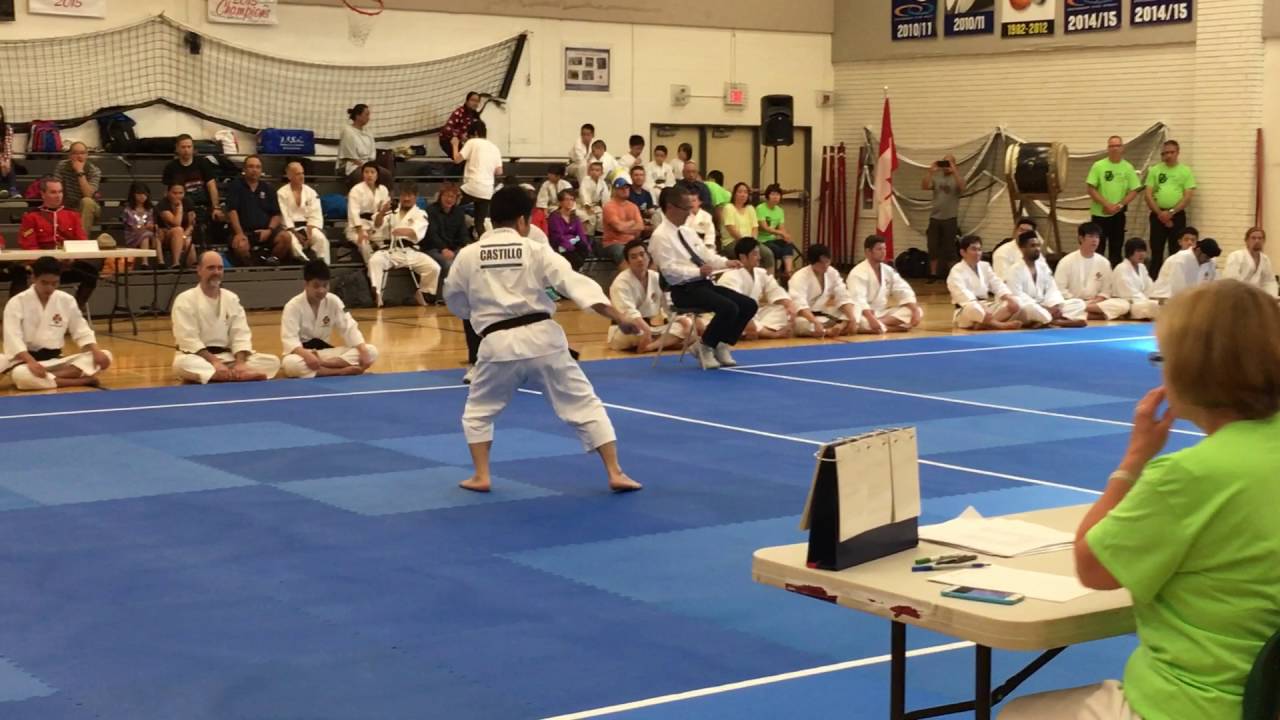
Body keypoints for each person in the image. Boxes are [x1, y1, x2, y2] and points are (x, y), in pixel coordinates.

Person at [1000, 279, 1280, 720]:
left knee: (1020, 713)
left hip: (1196, 704)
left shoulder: (1191, 475)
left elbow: (1092, 567)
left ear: (1187, 372)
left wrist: (1133, 460)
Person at [442, 185, 643, 494]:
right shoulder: (535, 250)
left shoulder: (468, 255)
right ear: (523, 221)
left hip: (497, 343)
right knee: (583, 403)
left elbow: (454, 299)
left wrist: (476, 310)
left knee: (479, 410)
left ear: (492, 220)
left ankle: (481, 475)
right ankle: (615, 471)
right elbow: (575, 285)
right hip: (543, 339)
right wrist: (620, 318)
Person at [649, 185, 754, 370]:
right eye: (686, 208)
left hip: (703, 284)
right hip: (683, 289)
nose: (690, 213)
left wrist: (726, 263)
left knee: (748, 304)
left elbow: (706, 255)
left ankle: (721, 343)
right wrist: (697, 272)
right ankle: (704, 346)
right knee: (727, 307)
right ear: (671, 207)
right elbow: (669, 271)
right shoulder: (660, 237)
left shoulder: (687, 231)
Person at [2, 255, 112, 390]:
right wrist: (31, 362)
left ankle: (47, 377)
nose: (49, 288)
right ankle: (79, 381)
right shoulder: (17, 302)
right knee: (21, 374)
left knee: (106, 355)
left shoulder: (66, 300)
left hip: (55, 360)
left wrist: (96, 352)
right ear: (33, 278)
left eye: (54, 283)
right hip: (23, 360)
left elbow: (81, 330)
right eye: (44, 283)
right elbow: (13, 338)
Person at [171, 251, 281, 384]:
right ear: (199, 270)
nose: (216, 272)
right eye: (211, 268)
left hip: (229, 358)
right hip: (199, 357)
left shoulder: (231, 298)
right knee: (182, 364)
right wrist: (215, 362)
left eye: (220, 268)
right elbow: (188, 339)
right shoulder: (185, 299)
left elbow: (240, 333)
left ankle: (225, 374)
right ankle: (232, 375)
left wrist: (240, 363)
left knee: (272, 361)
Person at [7, 177, 99, 308]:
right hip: (40, 266)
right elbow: (29, 246)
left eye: (60, 192)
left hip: (65, 266)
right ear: (43, 194)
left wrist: (72, 258)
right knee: (19, 272)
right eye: (53, 192)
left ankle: (75, 311)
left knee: (91, 273)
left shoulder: (72, 215)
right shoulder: (31, 216)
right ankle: (18, 314)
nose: (58, 196)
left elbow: (81, 242)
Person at [281, 259, 377, 378]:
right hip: (302, 355)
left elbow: (349, 327)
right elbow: (290, 340)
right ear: (306, 285)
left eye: (325, 285)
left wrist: (363, 351)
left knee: (371, 351)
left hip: (325, 354)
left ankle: (323, 366)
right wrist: (307, 355)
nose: (321, 290)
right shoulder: (293, 306)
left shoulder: (334, 301)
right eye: (316, 286)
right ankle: (340, 371)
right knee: (291, 364)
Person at [607, 238, 692, 352]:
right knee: (639, 332)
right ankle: (666, 342)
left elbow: (670, 307)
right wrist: (646, 331)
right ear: (628, 262)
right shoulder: (621, 283)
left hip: (651, 329)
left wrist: (685, 321)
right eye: (634, 257)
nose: (640, 259)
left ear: (649, 257)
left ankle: (651, 346)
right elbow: (628, 313)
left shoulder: (656, 278)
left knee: (689, 328)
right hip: (627, 329)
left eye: (642, 255)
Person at [368, 183, 441, 307]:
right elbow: (377, 225)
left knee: (434, 267)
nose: (406, 199)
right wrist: (381, 213)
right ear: (400, 196)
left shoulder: (420, 213)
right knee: (374, 261)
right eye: (404, 195)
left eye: (409, 195)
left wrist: (402, 230)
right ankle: (377, 294)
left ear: (416, 197)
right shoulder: (391, 211)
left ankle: (424, 294)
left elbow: (417, 232)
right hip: (390, 250)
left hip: (410, 251)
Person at [1000, 231, 1088, 328]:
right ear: (1022, 248)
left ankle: (1047, 321)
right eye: (1033, 246)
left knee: (1078, 303)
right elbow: (1017, 296)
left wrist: (1055, 306)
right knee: (1031, 309)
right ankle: (1058, 322)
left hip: (1046, 305)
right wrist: (1044, 308)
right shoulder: (1014, 270)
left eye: (1038, 245)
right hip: (1028, 308)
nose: (1037, 249)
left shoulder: (1043, 267)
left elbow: (1052, 289)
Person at [720, 237, 797, 340]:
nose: (759, 257)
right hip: (736, 316)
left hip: (754, 316)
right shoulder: (730, 276)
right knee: (733, 320)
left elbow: (775, 289)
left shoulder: (760, 273)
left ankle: (759, 330)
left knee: (784, 309)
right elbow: (736, 305)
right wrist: (750, 322)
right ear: (743, 257)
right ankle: (769, 333)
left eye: (759, 254)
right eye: (755, 254)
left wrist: (788, 304)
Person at [847, 234, 923, 333]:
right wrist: (870, 318)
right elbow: (858, 299)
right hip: (863, 314)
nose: (883, 252)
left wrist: (915, 310)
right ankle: (893, 328)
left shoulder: (888, 270)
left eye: (884, 249)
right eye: (879, 249)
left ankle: (880, 325)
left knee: (917, 311)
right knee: (859, 322)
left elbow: (902, 290)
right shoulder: (857, 273)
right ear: (868, 252)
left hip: (881, 313)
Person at [1054, 222, 1131, 321]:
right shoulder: (1066, 261)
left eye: (1097, 237)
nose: (1095, 240)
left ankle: (1082, 313)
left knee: (1123, 305)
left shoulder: (1104, 262)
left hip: (1095, 304)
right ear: (1081, 238)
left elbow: (1107, 289)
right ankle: (1096, 316)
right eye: (1091, 236)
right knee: (1062, 306)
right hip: (1072, 302)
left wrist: (1096, 301)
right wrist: (1078, 302)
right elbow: (1059, 289)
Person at [1086, 136, 1143, 265]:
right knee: (1097, 248)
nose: (1114, 149)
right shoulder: (1099, 166)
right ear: (1108, 148)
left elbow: (1134, 190)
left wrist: (1119, 205)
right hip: (1100, 214)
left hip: (1118, 215)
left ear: (1122, 148)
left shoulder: (1127, 167)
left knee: (1116, 249)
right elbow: (1091, 189)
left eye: (1117, 146)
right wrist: (1107, 205)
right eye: (1111, 146)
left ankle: (1114, 277)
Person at [1144, 140, 1196, 278]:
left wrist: (1171, 212)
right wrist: (1160, 213)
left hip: (1177, 215)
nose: (1168, 155)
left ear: (1178, 153)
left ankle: (1175, 281)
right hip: (1157, 215)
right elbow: (1148, 194)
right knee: (1156, 251)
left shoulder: (1185, 171)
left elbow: (1188, 196)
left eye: (1171, 152)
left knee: (1176, 251)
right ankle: (1154, 282)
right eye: (1165, 153)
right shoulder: (1155, 170)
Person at [947, 234, 1022, 330]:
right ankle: (999, 325)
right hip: (966, 311)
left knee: (1015, 301)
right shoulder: (956, 270)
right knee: (972, 308)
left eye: (979, 249)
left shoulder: (985, 266)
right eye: (973, 249)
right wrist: (979, 307)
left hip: (986, 306)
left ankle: (985, 324)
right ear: (963, 252)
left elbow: (997, 283)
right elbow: (961, 294)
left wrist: (1008, 297)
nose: (978, 253)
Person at [161, 135, 223, 248]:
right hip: (181, 208)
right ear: (177, 149)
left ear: (193, 148)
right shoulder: (170, 167)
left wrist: (216, 207)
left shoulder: (203, 163)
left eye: (189, 147)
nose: (186, 150)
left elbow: (211, 186)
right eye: (183, 147)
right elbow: (167, 192)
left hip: (202, 206)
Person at [789, 244, 858, 337]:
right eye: (821, 263)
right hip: (806, 316)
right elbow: (799, 305)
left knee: (855, 306)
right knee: (799, 324)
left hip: (824, 313)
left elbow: (843, 295)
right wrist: (814, 321)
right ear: (812, 262)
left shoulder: (832, 272)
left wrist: (852, 318)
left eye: (827, 261)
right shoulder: (799, 277)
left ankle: (842, 326)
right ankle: (828, 331)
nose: (825, 265)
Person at [226, 155, 283, 267]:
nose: (254, 170)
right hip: (244, 231)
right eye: (251, 167)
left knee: (285, 238)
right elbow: (232, 211)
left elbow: (276, 215)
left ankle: (269, 264)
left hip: (265, 232)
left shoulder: (268, 188)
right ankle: (252, 268)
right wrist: (239, 233)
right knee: (241, 245)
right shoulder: (236, 186)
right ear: (244, 170)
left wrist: (269, 230)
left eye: (258, 167)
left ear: (261, 170)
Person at [452, 120, 503, 238]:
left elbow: (457, 159)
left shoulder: (472, 142)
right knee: (479, 224)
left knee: (450, 205)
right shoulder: (494, 147)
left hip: (472, 187)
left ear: (474, 132)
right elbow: (499, 171)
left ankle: (456, 236)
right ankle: (486, 244)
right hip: (487, 191)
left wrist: (455, 144)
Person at [276, 160, 330, 263]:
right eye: (297, 174)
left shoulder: (311, 192)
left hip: (308, 227)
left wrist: (309, 234)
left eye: (302, 173)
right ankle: (305, 263)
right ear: (289, 176)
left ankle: (324, 266)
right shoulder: (281, 193)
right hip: (290, 229)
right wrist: (295, 233)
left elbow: (315, 214)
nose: (301, 176)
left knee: (322, 240)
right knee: (294, 243)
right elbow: (284, 215)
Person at [922, 153, 966, 279]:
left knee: (950, 249)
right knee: (932, 247)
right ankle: (933, 274)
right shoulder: (937, 177)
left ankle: (954, 276)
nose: (946, 166)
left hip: (950, 218)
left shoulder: (956, 178)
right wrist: (930, 172)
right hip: (935, 217)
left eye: (949, 162)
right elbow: (924, 186)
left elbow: (962, 187)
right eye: (945, 162)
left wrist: (954, 170)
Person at [423, 183, 469, 291]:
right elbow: (431, 234)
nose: (449, 199)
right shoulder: (431, 210)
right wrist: (443, 249)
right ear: (440, 196)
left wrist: (467, 246)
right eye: (446, 196)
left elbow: (463, 234)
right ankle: (443, 295)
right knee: (448, 264)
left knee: (470, 259)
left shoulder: (459, 212)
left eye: (452, 197)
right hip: (434, 248)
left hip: (453, 248)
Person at [345, 161, 390, 264]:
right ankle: (370, 269)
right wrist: (360, 232)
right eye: (366, 172)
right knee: (364, 242)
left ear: (377, 175)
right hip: (358, 225)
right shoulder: (356, 190)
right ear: (362, 174)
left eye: (372, 172)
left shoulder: (383, 189)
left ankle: (385, 268)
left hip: (376, 224)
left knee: (385, 242)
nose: (369, 175)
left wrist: (382, 212)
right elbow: (353, 212)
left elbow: (384, 211)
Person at [337, 103, 391, 187]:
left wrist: (370, 166)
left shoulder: (368, 132)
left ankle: (386, 199)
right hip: (352, 165)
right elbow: (350, 156)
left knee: (386, 174)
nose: (369, 118)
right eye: (366, 115)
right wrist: (365, 167)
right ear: (358, 116)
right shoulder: (347, 131)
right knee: (362, 175)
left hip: (367, 164)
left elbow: (372, 152)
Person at [55, 141, 102, 237]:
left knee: (87, 201)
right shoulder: (62, 166)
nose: (79, 156)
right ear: (70, 155)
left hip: (89, 208)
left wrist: (80, 172)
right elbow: (56, 186)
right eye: (76, 153)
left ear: (87, 155)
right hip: (67, 205)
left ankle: (81, 240)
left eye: (82, 153)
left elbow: (88, 194)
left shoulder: (94, 171)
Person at [1151, 237, 1220, 300]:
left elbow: (1212, 283)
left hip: (1190, 299)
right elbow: (1177, 288)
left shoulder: (1210, 261)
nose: (1207, 261)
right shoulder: (1180, 259)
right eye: (1206, 257)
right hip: (1165, 297)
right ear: (1198, 250)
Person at [1109, 238, 1160, 321]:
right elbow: (1128, 293)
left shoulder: (1142, 267)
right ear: (1129, 252)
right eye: (1138, 251)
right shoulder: (1121, 268)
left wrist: (1154, 298)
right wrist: (1147, 301)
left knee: (1159, 304)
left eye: (1143, 251)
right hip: (1127, 303)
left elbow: (1150, 287)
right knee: (1151, 306)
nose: (1142, 254)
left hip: (1141, 302)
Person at [1223, 226, 1277, 297]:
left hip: (1257, 298)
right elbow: (1231, 280)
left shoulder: (1265, 259)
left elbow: (1269, 281)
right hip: (1237, 297)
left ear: (1263, 241)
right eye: (1253, 238)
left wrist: (1270, 297)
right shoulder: (1236, 256)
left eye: (1260, 238)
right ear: (1246, 240)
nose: (1257, 241)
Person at [601, 176, 644, 266]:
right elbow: (619, 227)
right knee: (621, 252)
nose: (625, 190)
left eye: (627, 187)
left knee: (647, 252)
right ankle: (627, 279)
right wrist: (632, 223)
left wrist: (625, 228)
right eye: (621, 188)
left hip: (631, 242)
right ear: (615, 190)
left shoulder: (633, 206)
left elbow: (640, 226)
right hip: (613, 242)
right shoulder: (609, 206)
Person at [756, 184, 796, 278]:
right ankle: (784, 273)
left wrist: (785, 236)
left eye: (778, 195)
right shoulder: (760, 208)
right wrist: (781, 233)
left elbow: (781, 227)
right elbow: (764, 227)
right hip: (761, 240)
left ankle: (787, 272)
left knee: (788, 245)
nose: (775, 197)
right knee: (778, 250)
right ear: (767, 196)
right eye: (773, 194)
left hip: (773, 239)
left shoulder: (780, 210)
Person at [155, 183, 197, 269]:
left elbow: (191, 224)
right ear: (167, 193)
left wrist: (184, 236)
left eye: (180, 193)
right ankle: (176, 262)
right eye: (174, 193)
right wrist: (180, 208)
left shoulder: (188, 202)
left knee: (189, 242)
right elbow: (176, 223)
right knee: (178, 229)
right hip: (165, 235)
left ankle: (192, 269)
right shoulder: (162, 204)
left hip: (182, 235)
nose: (178, 196)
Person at [547, 189, 591, 270]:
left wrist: (586, 247)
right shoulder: (554, 217)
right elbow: (558, 237)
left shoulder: (575, 217)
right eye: (567, 199)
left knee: (584, 245)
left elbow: (580, 234)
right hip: (560, 247)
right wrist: (570, 243)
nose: (570, 202)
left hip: (574, 246)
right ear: (561, 202)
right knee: (576, 259)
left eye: (572, 199)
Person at [122, 182, 160, 268]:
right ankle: (144, 262)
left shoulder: (150, 209)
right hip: (132, 235)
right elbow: (132, 227)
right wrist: (145, 227)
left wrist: (153, 226)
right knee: (145, 236)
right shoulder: (128, 210)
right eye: (139, 194)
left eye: (144, 194)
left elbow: (151, 223)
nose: (142, 196)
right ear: (133, 195)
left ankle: (161, 261)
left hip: (147, 233)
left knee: (155, 236)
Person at [440, 91, 483, 165]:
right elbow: (447, 129)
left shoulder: (475, 116)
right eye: (472, 100)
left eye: (477, 101)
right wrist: (460, 135)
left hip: (460, 141)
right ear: (467, 101)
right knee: (461, 161)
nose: (475, 103)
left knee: (468, 160)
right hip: (448, 140)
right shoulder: (459, 112)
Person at [576, 161, 608, 234]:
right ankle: (588, 237)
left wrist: (606, 208)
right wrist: (588, 206)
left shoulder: (602, 183)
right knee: (591, 218)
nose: (594, 172)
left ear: (601, 172)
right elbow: (583, 194)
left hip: (595, 206)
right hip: (583, 206)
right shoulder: (585, 180)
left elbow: (605, 197)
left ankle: (599, 236)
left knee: (603, 217)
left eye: (597, 170)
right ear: (589, 171)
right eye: (592, 170)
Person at [0, 104, 17, 197]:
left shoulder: (7, 128)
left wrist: (6, 161)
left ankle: (13, 189)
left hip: (5, 157)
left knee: (10, 165)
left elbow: (8, 146)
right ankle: (2, 189)